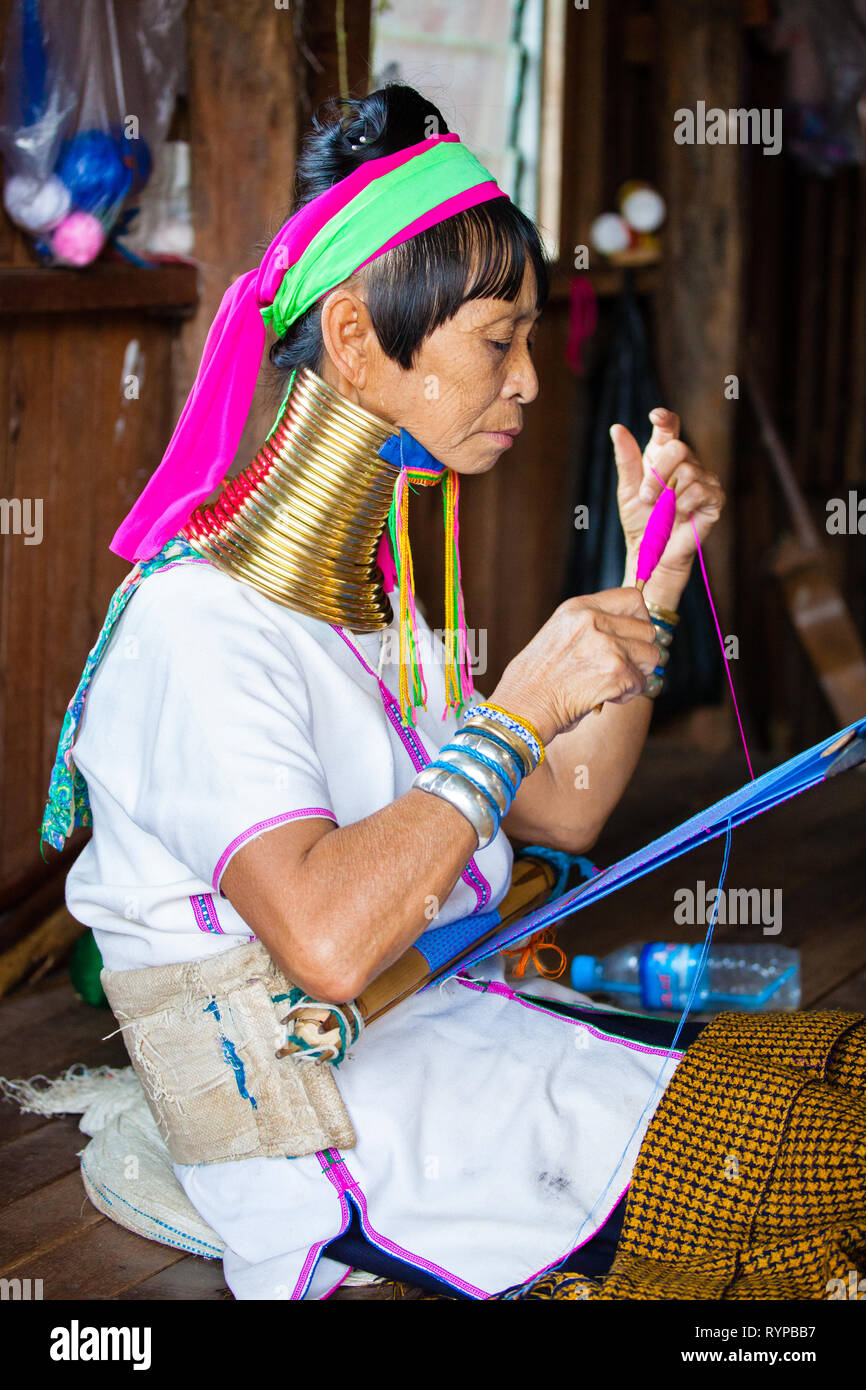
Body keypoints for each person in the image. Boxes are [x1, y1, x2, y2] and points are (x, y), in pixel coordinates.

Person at [42, 85, 864, 1302]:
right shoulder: (194, 628)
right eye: (498, 338)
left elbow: (564, 812)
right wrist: (516, 708)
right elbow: (323, 943)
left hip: (472, 1043)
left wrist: (652, 577)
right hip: (359, 1137)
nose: (529, 381)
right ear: (360, 339)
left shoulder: (379, 606)